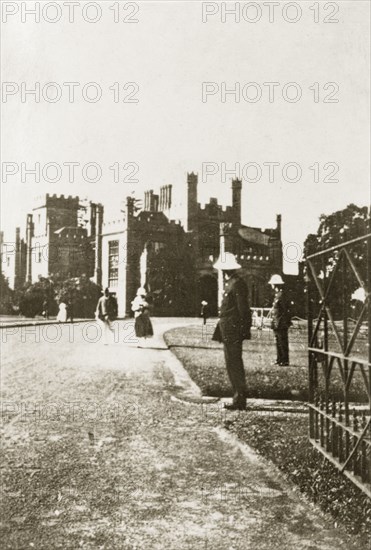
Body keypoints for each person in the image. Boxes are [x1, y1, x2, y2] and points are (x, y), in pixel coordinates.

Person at [212, 253, 252, 410]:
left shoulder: (237, 284)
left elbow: (243, 310)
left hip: (233, 330)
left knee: (234, 364)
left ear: (225, 269)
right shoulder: (231, 283)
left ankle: (239, 400)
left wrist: (243, 330)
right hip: (228, 329)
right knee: (231, 364)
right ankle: (238, 397)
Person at [269, 274, 292, 366]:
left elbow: (285, 310)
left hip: (281, 322)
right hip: (277, 322)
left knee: (282, 342)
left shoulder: (281, 295)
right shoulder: (277, 295)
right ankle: (279, 359)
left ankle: (285, 360)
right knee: (278, 341)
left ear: (275, 284)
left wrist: (284, 321)